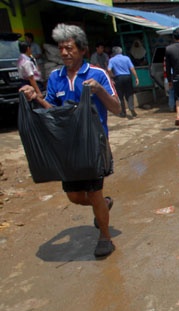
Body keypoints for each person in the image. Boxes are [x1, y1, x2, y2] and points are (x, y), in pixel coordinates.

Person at [19, 24, 121, 258]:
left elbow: (117, 108)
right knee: (75, 197)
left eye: (69, 48)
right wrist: (36, 98)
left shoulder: (98, 74)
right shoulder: (55, 77)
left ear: (82, 50)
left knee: (94, 192)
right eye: (61, 48)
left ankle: (105, 237)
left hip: (94, 143)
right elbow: (53, 110)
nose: (64, 53)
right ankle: (103, 204)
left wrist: (99, 91)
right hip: (67, 145)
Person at [107, 46, 139, 118]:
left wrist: (112, 77)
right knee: (129, 93)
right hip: (127, 77)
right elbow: (132, 68)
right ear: (121, 51)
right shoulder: (126, 58)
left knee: (120, 96)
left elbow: (109, 69)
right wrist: (136, 77)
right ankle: (131, 107)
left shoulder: (112, 60)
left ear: (114, 53)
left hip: (118, 78)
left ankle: (123, 112)